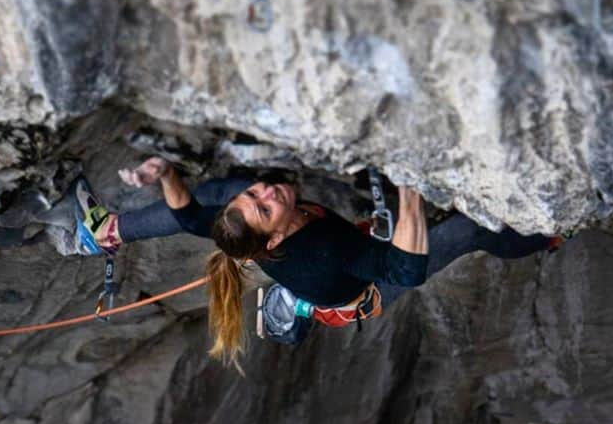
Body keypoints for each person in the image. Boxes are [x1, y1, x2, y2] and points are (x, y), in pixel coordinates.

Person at [75, 158, 552, 369]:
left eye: (256, 195)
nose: (268, 191)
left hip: (325, 271)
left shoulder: (248, 232)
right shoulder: (325, 250)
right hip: (363, 288)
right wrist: (410, 192)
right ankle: (545, 238)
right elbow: (404, 270)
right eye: (264, 206)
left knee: (216, 197)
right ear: (275, 234)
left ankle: (105, 231)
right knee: (468, 231)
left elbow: (189, 216)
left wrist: (164, 174)